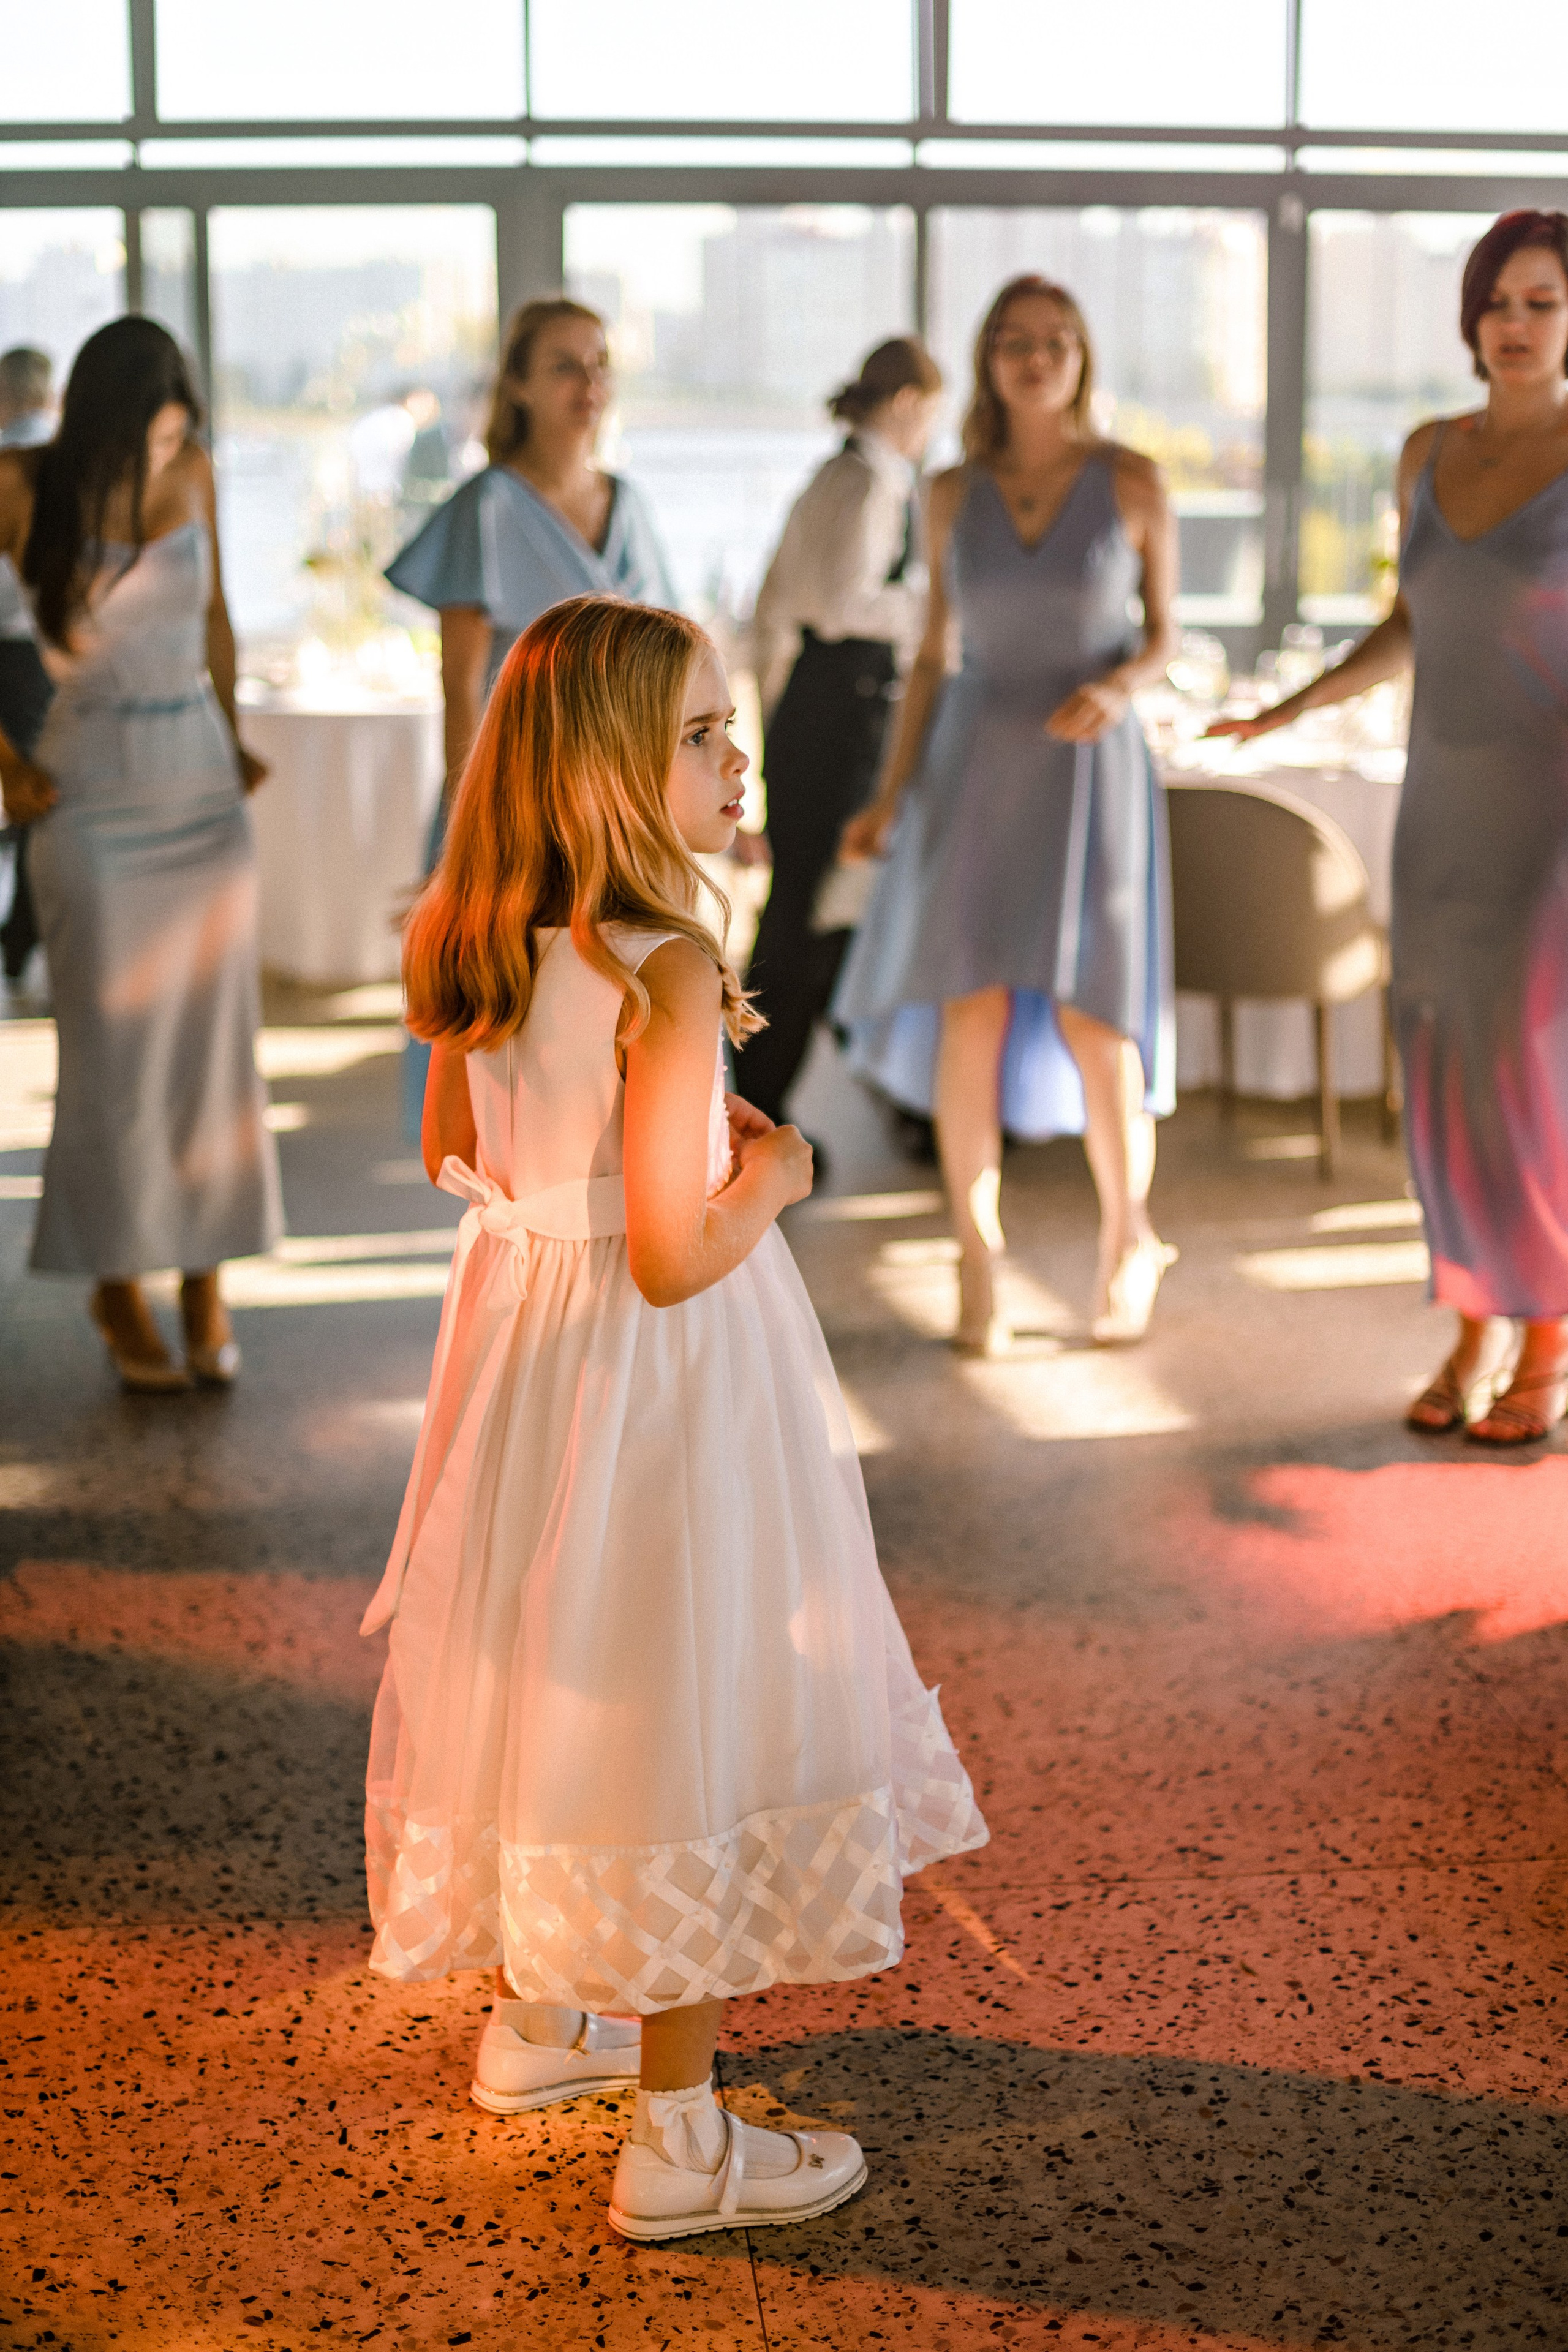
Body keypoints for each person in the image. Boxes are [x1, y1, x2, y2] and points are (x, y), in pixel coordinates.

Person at [361, 595, 986, 2242]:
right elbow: (671, 1252)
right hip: (666, 1383)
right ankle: (684, 2140)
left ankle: (540, 2021)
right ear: (610, 769)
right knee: (677, 1695)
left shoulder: (479, 932)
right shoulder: (672, 961)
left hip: (526, 1363)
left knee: (544, 1668)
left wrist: (644, 1130)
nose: (736, 754)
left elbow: (463, 1157)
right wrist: (769, 1163)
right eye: (703, 732)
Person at [1208, 209, 1568, 1445]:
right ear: (1468, 318)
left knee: (1528, 1069)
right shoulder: (1425, 450)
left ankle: (1545, 1340)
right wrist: (1292, 706)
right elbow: (1413, 619)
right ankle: (1470, 1317)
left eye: (1539, 303)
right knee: (1443, 1064)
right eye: (1496, 302)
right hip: (1440, 802)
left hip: (1551, 815)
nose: (1513, 326)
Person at [833, 275, 1179, 1352]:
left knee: (1094, 1018)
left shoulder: (1132, 481)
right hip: (973, 765)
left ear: (1083, 358)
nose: (1037, 358)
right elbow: (932, 652)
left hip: (1088, 763)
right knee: (967, 1012)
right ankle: (975, 1262)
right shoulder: (947, 491)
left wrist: (1121, 686)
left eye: (1057, 341)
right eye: (1016, 341)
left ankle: (1129, 1240)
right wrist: (889, 794)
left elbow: (1164, 635)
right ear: (988, 358)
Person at [0, 317, 280, 1390]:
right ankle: (117, 1277)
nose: (172, 454)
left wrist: (237, 731)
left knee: (217, 1046)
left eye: (182, 438)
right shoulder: (25, 485)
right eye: (155, 438)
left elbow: (215, 614)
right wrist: (8, 765)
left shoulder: (195, 467)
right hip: (91, 781)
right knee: (113, 1054)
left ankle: (208, 1276)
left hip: (200, 780)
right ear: (107, 417)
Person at [385, 297, 676, 1137]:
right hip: (516, 794)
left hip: (624, 799)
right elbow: (461, 685)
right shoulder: (486, 506)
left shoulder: (632, 503)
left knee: (625, 1006)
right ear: (517, 385)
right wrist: (465, 830)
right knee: (512, 1009)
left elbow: (671, 669)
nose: (589, 383)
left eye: (599, 362)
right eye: (563, 364)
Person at [735, 337, 943, 1128]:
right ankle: (760, 1100)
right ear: (906, 405)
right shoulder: (867, 482)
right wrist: (934, 602)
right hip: (840, 711)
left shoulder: (833, 475)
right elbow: (844, 601)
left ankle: (802, 1091)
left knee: (817, 910)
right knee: (810, 911)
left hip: (816, 709)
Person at [0, 347, 58, 981]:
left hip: (15, 646)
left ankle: (21, 932)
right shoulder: (73, 464)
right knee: (42, 786)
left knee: (32, 789)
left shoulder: (11, 467)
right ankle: (23, 930)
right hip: (44, 651)